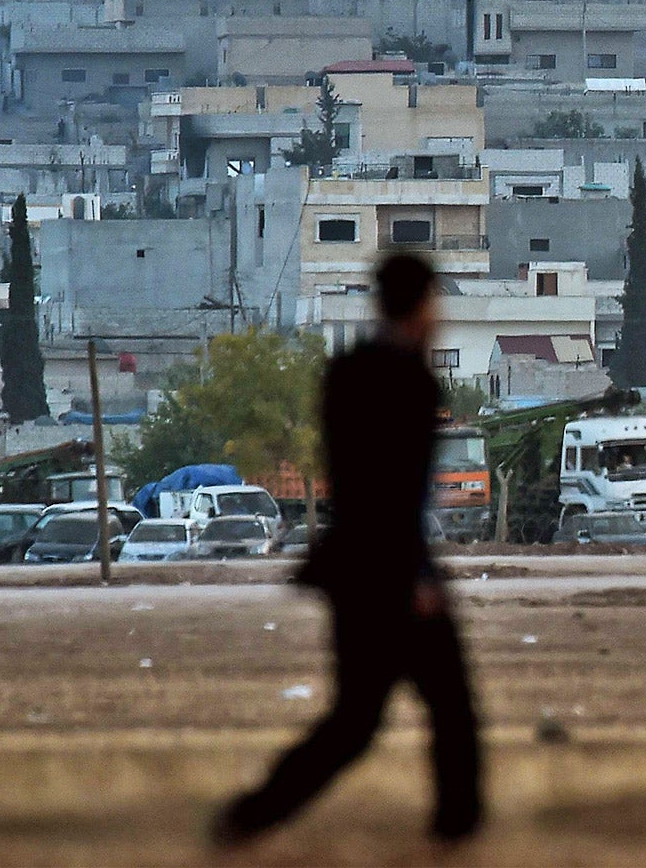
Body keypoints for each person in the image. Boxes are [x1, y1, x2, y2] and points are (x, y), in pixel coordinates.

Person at [215, 252, 483, 847]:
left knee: (357, 721)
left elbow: (357, 482)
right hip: (389, 567)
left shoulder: (348, 371)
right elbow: (393, 490)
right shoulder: (409, 382)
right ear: (421, 305)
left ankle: (252, 815)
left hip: (355, 564)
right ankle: (457, 827)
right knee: (444, 703)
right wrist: (414, 575)